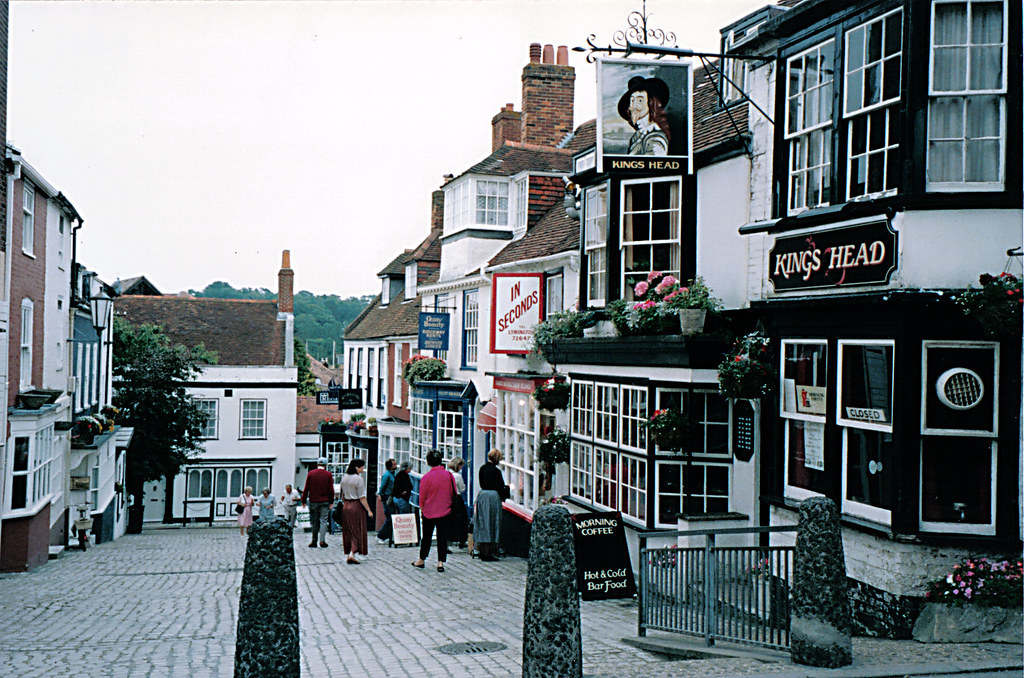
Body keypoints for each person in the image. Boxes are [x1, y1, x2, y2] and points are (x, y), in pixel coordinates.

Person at [412, 450, 458, 572]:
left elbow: (422, 496)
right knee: (442, 537)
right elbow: (454, 492)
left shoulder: (426, 477)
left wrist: (422, 508)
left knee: (426, 537)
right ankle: (440, 562)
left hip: (429, 511)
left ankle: (421, 559)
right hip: (445, 510)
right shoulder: (448, 475)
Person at [617, 75, 671, 156]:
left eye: (640, 100)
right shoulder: (637, 136)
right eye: (632, 100)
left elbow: (654, 166)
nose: (634, 106)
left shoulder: (655, 139)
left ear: (651, 103)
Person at [474, 448, 509, 561]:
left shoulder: (482, 468)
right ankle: (489, 552)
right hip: (493, 496)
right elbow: (500, 486)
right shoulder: (496, 471)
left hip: (482, 495)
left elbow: (481, 482)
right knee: (492, 522)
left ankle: (482, 550)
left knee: (483, 522)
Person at [339, 459, 374, 564]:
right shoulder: (358, 479)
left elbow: (342, 494)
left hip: (346, 506)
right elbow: (362, 497)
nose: (363, 469)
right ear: (356, 467)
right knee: (357, 530)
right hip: (355, 506)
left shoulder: (344, 478)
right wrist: (369, 510)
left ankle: (350, 551)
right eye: (362, 467)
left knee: (349, 530)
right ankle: (352, 553)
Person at [302, 458, 335, 548]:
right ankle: (322, 541)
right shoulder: (328, 475)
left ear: (317, 464)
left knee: (314, 521)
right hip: (324, 501)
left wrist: (303, 500)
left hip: (313, 501)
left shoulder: (311, 474)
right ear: (325, 465)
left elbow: (306, 488)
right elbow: (331, 490)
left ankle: (314, 541)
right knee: (323, 521)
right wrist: (331, 502)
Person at [447, 456, 468, 549]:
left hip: (448, 499)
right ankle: (462, 540)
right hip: (457, 499)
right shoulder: (458, 476)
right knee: (462, 520)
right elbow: (462, 488)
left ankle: (447, 542)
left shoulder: (447, 474)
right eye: (461, 466)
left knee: (449, 521)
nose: (461, 468)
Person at [376, 458, 397, 543]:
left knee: (391, 516)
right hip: (387, 497)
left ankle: (387, 535)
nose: (396, 465)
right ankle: (380, 535)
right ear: (390, 466)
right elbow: (382, 486)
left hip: (391, 497)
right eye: (394, 464)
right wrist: (380, 495)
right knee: (389, 517)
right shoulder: (387, 475)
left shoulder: (393, 474)